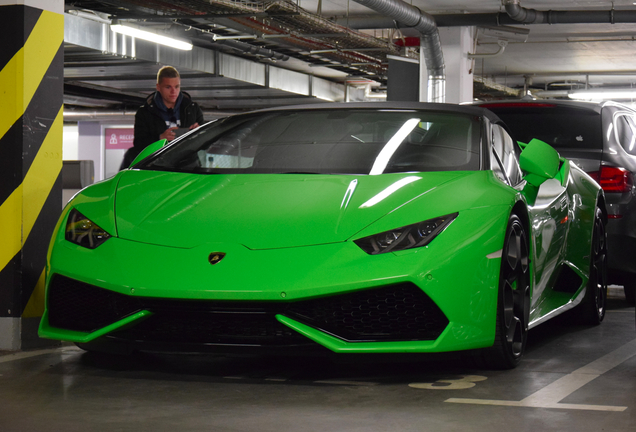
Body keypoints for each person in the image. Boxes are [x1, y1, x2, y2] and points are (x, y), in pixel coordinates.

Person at [121, 66, 204, 169]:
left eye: (177, 87)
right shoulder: (145, 113)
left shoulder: (193, 109)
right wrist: (160, 138)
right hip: (156, 168)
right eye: (168, 87)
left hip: (187, 168)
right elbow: (139, 144)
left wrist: (200, 132)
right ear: (158, 87)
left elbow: (206, 143)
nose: (173, 92)